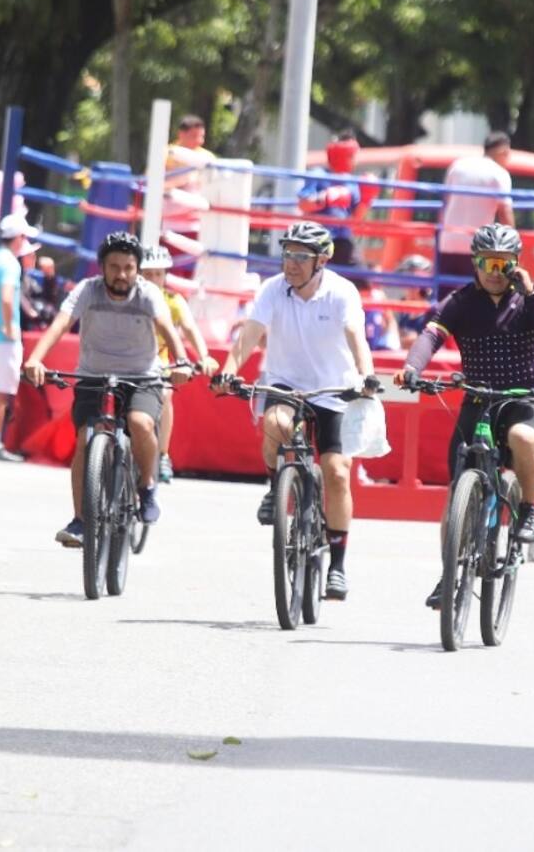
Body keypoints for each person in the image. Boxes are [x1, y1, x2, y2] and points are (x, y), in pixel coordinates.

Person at [399, 224, 534, 608]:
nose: (494, 270)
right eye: (487, 262)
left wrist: (533, 293)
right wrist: (412, 367)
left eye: (503, 263)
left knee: (525, 439)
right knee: (455, 494)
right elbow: (431, 335)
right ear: (474, 262)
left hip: (523, 399)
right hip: (477, 402)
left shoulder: (528, 299)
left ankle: (528, 509)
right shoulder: (460, 301)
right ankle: (448, 575)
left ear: (516, 265)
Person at [216, 221, 378, 601]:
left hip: (333, 389)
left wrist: (366, 375)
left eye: (301, 257)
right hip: (285, 382)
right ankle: (276, 488)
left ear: (322, 260)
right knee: (274, 423)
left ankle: (337, 565)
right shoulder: (272, 290)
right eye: (287, 254)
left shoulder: (342, 292)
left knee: (337, 472)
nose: (291, 264)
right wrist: (228, 370)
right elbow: (249, 337)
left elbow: (357, 337)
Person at [22, 233, 192, 544]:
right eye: (114, 266)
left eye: (129, 267)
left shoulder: (148, 294)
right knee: (87, 438)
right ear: (102, 267)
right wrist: (35, 359)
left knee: (140, 423)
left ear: (138, 269)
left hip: (142, 376)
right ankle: (80, 521)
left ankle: (148, 486)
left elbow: (168, 327)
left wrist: (182, 362)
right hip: (94, 376)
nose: (121, 274)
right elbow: (59, 324)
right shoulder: (88, 291)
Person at [139, 244, 218, 483]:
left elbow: (190, 328)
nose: (153, 279)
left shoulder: (172, 300)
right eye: (148, 274)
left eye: (158, 274)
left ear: (165, 275)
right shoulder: (129, 297)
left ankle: (162, 453)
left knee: (165, 394)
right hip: (127, 362)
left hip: (158, 363)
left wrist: (203, 356)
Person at [0, 213, 39, 461]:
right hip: (2, 335)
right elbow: (5, 297)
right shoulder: (10, 263)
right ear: (19, 238)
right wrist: (9, 327)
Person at [437, 133, 515, 284]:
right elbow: (505, 213)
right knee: (476, 300)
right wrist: (513, 246)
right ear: (503, 152)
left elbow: (444, 204)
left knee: (446, 297)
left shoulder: (458, 166)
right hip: (477, 246)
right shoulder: (499, 174)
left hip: (448, 241)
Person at [297, 132, 375, 268]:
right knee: (309, 276)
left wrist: (366, 199)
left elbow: (356, 220)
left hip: (342, 240)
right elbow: (303, 204)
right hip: (316, 237)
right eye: (352, 156)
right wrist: (325, 198)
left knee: (362, 278)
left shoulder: (352, 183)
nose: (355, 161)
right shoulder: (318, 174)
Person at [162, 114, 216, 245]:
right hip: (169, 223)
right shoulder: (167, 154)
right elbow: (153, 182)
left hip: (197, 224)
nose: (199, 141)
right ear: (181, 134)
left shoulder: (207, 158)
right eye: (194, 136)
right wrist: (182, 180)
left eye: (201, 137)